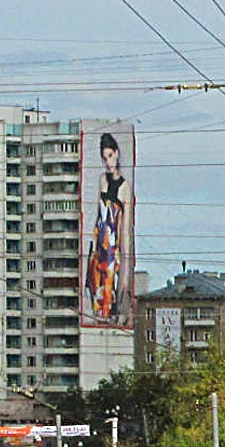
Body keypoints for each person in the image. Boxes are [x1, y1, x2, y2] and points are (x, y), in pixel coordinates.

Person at [83, 132, 128, 324]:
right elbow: (98, 213)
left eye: (110, 156)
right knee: (94, 282)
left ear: (116, 153)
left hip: (112, 244)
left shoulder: (124, 187)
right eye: (104, 158)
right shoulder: (103, 179)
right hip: (99, 241)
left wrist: (122, 252)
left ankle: (109, 314)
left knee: (109, 285)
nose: (108, 162)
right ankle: (98, 316)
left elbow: (124, 226)